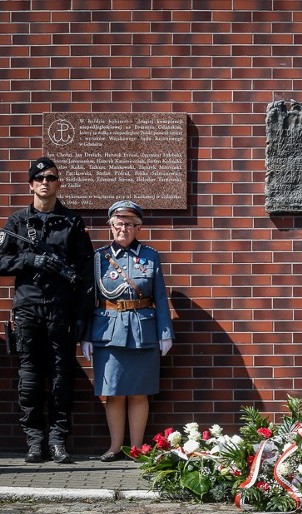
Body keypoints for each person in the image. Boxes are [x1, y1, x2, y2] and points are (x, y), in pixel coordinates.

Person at [0, 156, 94, 464]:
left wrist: (82, 314)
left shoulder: (71, 222)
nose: (45, 182)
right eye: (39, 178)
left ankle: (57, 440)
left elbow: (85, 273)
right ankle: (35, 441)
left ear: (58, 183)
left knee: (61, 378)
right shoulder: (16, 223)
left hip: (61, 310)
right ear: (30, 184)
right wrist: (31, 260)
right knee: (29, 377)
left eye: (51, 178)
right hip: (28, 308)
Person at [80, 201, 174, 462]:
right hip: (107, 330)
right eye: (119, 223)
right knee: (114, 392)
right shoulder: (98, 258)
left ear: (139, 227)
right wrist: (86, 334)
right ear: (110, 226)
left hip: (143, 330)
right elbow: (90, 299)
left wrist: (165, 332)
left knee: (138, 391)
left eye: (130, 223)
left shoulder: (150, 256)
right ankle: (114, 447)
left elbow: (160, 297)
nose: (124, 228)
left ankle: (136, 448)